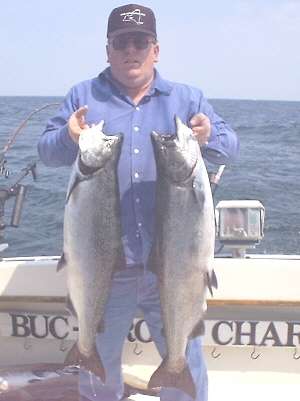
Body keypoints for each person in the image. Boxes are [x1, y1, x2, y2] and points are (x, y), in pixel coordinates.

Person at [38, 4, 239, 401]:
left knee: (186, 359)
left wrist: (209, 134)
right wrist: (68, 136)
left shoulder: (187, 98)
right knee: (99, 368)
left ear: (156, 49)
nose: (132, 51)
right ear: (108, 49)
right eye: (121, 42)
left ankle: (179, 380)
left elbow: (230, 149)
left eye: (140, 42)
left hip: (173, 264)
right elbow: (47, 152)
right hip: (105, 267)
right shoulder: (83, 96)